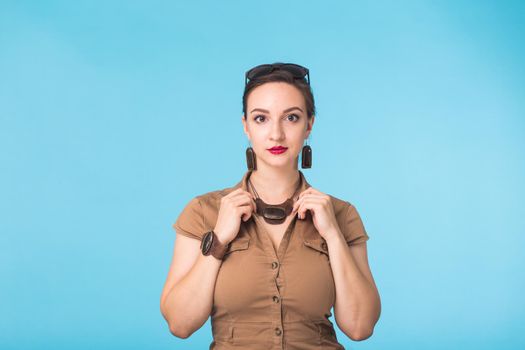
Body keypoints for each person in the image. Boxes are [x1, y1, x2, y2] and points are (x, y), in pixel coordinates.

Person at [160, 62, 381, 349]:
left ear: (309, 125)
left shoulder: (342, 214)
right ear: (246, 127)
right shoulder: (204, 211)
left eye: (291, 117)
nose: (276, 134)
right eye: (261, 119)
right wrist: (219, 240)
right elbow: (180, 324)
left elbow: (360, 327)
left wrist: (333, 236)